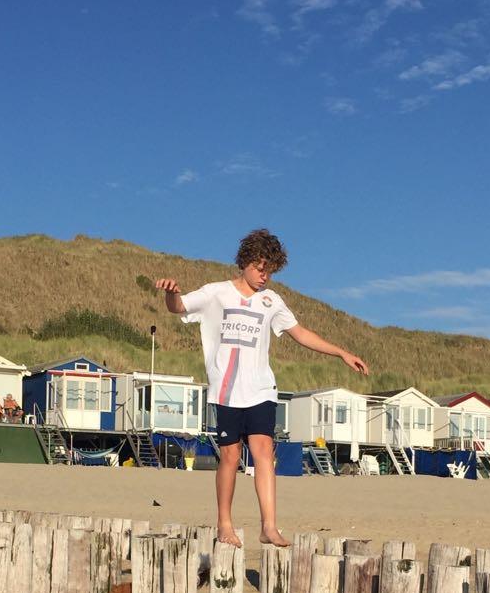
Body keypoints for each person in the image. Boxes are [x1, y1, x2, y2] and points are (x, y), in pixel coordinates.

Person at [156, 228, 368, 547]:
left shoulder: (272, 301)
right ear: (245, 262)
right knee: (229, 457)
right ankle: (224, 524)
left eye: (270, 270)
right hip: (227, 391)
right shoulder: (216, 293)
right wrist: (171, 293)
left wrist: (341, 353)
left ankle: (269, 526)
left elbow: (300, 333)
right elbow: (178, 307)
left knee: (264, 452)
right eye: (260, 268)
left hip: (261, 389)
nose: (264, 276)